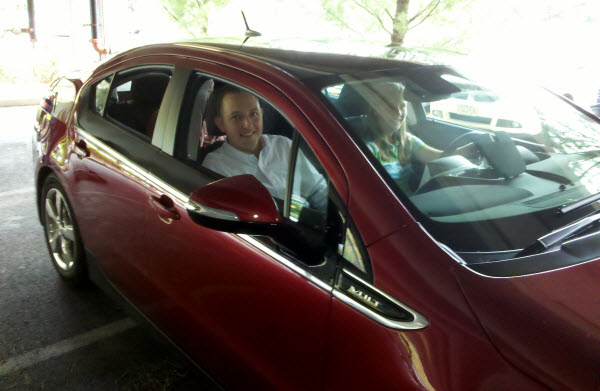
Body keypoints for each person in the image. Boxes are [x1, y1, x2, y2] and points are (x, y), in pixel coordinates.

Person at [202, 85, 326, 209]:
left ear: (261, 114)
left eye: (253, 114)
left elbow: (319, 190)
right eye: (236, 117)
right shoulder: (215, 167)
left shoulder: (284, 145)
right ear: (221, 123)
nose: (247, 124)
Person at [363, 81, 477, 194]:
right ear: (376, 110)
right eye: (391, 107)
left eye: (402, 106)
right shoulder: (369, 149)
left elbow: (439, 157)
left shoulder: (407, 140)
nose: (399, 112)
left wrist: (473, 148)